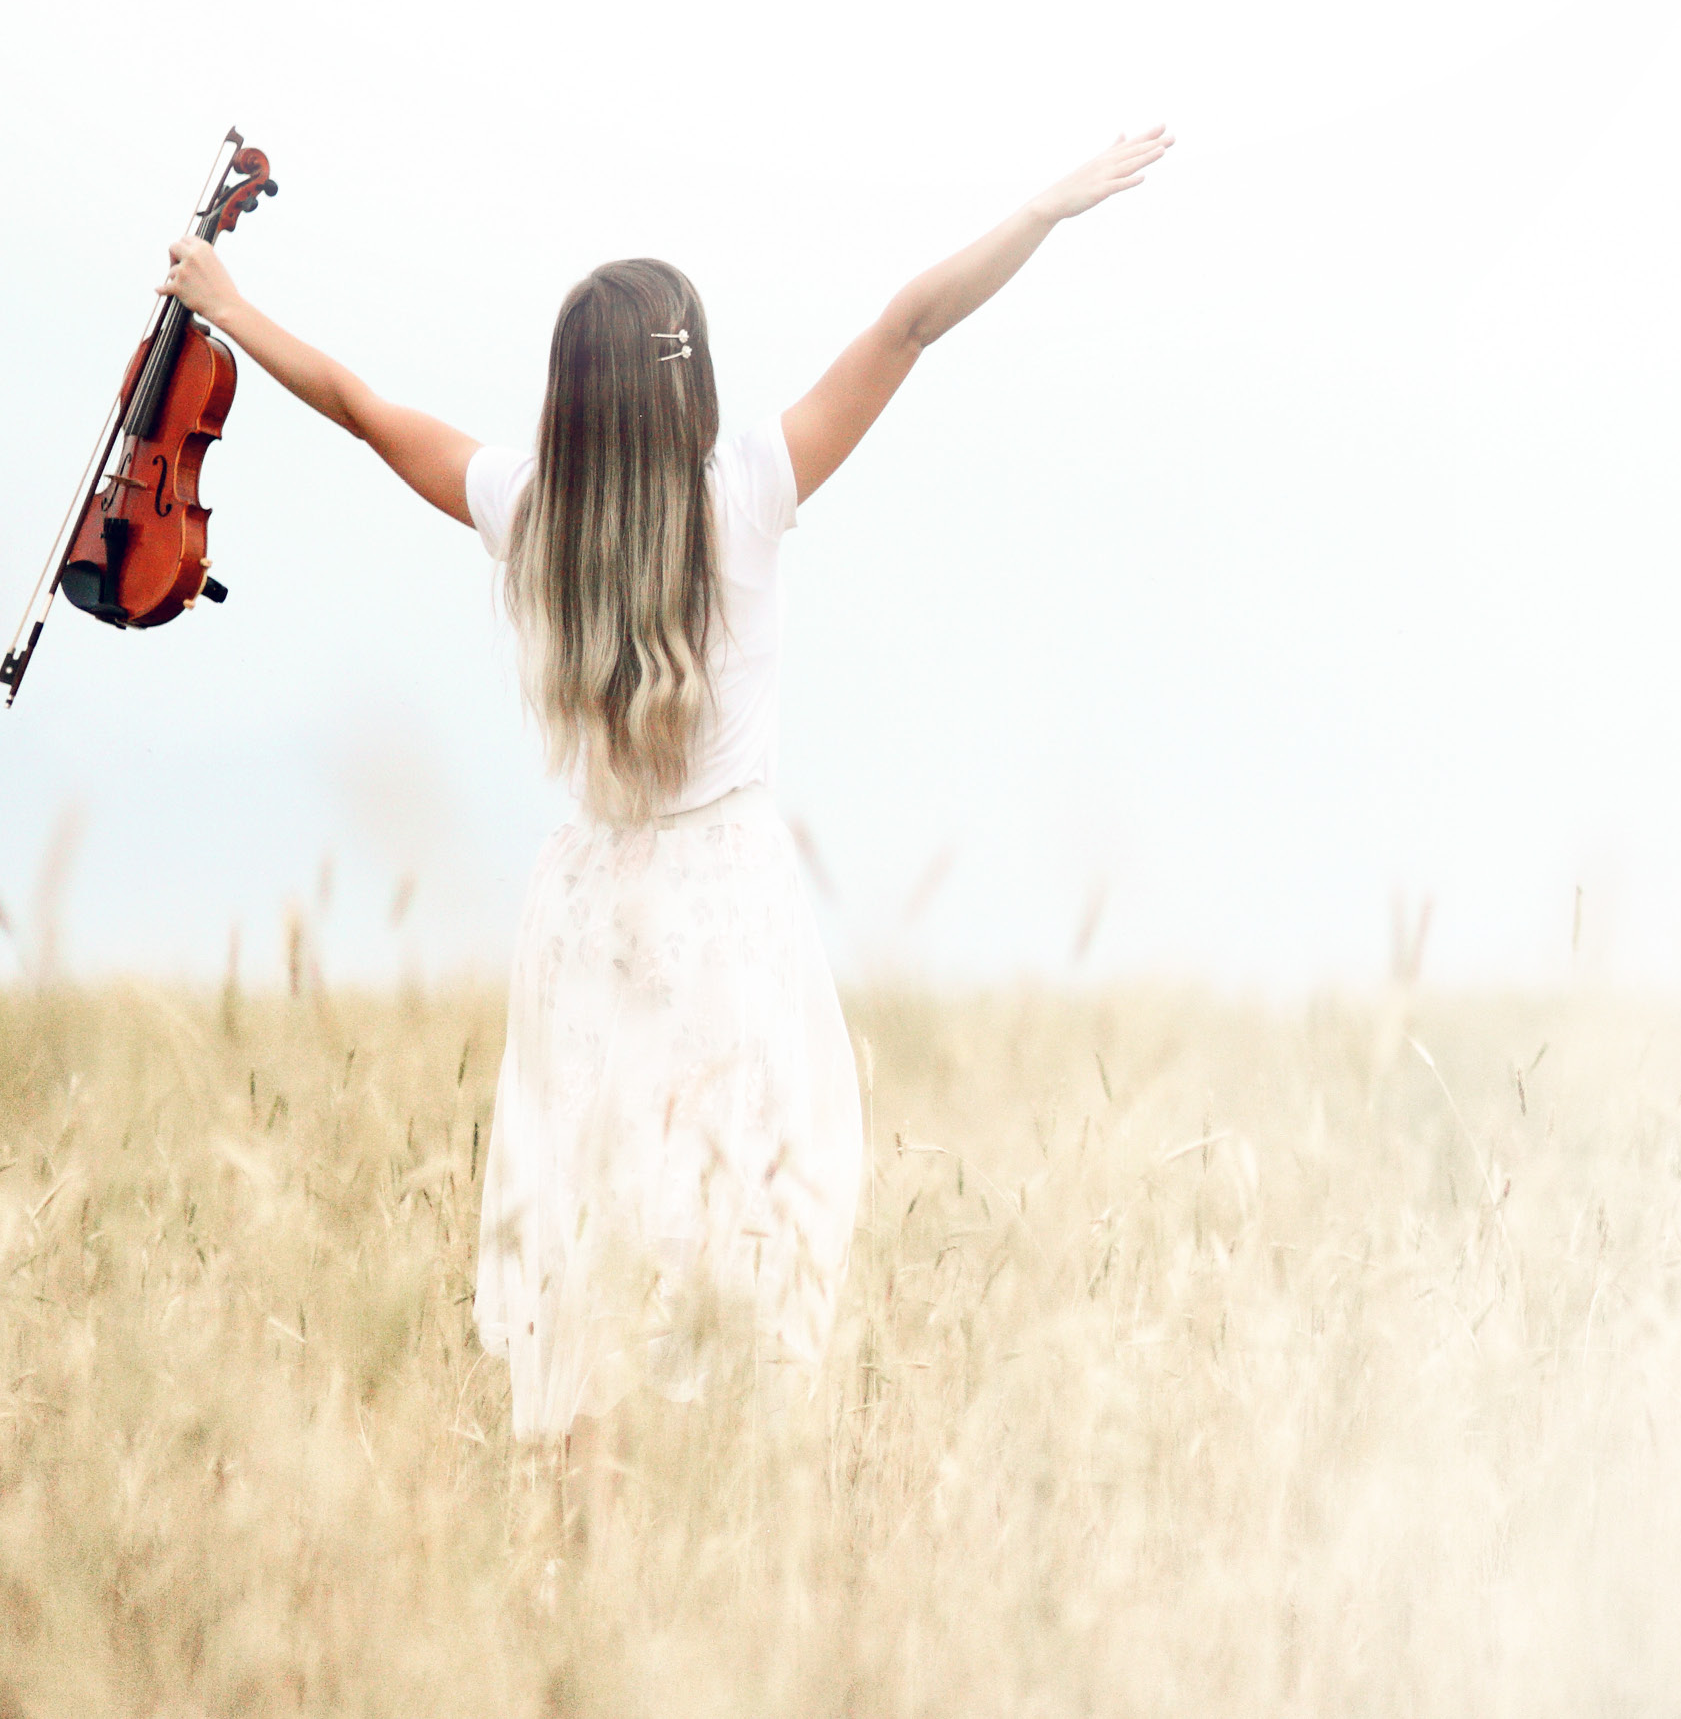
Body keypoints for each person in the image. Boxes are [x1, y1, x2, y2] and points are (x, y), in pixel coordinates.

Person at [156, 124, 1174, 1508]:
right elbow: (910, 322)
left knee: (592, 1228)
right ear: (682, 386)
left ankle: (583, 1530)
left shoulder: (524, 509)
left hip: (586, 912)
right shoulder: (746, 493)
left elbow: (351, 396)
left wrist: (223, 302)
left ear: (569, 399)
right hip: (726, 906)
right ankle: (726, 1527)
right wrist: (1044, 208)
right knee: (738, 1224)